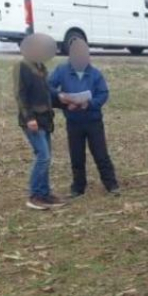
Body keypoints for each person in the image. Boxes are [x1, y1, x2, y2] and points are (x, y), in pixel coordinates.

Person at [49, 39, 120, 197]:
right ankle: (78, 187)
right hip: (73, 121)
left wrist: (90, 104)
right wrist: (61, 97)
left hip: (93, 121)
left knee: (100, 154)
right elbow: (48, 86)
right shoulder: (61, 71)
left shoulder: (95, 74)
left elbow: (103, 94)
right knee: (76, 156)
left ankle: (111, 184)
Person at [14, 34, 64, 210]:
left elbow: (46, 92)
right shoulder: (22, 66)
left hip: (45, 118)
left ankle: (45, 194)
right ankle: (35, 195)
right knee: (43, 156)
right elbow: (20, 95)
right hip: (33, 120)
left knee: (46, 157)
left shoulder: (41, 67)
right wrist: (29, 118)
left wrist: (62, 99)